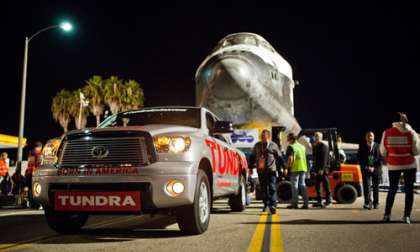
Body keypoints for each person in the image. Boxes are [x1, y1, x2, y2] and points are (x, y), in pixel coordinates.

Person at [380, 113, 420, 224]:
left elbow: (383, 151)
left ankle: (387, 215)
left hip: (393, 165)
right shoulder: (411, 133)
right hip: (409, 164)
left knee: (392, 190)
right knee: (409, 191)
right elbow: (417, 151)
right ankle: (406, 216)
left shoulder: (387, 132)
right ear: (404, 120)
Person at [252, 129, 283, 214]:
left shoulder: (273, 145)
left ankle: (273, 205)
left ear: (268, 137)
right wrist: (250, 167)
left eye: (264, 136)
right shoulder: (257, 145)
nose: (262, 137)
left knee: (272, 187)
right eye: (261, 136)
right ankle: (266, 204)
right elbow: (252, 156)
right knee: (264, 189)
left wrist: (283, 167)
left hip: (271, 170)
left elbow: (279, 157)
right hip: (261, 171)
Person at [357, 131, 382, 210]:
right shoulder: (362, 146)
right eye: (368, 136)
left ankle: (376, 203)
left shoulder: (378, 146)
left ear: (373, 137)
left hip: (376, 169)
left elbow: (381, 159)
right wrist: (366, 167)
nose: (369, 137)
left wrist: (374, 168)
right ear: (365, 138)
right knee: (366, 187)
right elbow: (359, 158)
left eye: (371, 136)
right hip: (365, 169)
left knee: (375, 187)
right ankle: (367, 202)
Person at [286, 133, 309, 209]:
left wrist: (287, 167)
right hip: (303, 168)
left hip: (295, 168)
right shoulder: (302, 147)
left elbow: (290, 159)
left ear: (292, 139)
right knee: (302, 185)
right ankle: (306, 203)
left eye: (288, 139)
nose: (287, 141)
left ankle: (295, 204)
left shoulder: (291, 147)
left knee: (294, 186)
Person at [312, 132, 332, 208]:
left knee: (326, 185)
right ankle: (319, 201)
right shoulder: (315, 146)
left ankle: (328, 201)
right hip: (317, 169)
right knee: (317, 186)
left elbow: (324, 159)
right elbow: (314, 159)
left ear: (321, 137)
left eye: (317, 136)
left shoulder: (324, 146)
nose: (316, 137)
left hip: (323, 169)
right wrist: (314, 169)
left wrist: (322, 169)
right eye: (315, 136)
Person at [25, 141, 43, 209]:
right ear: (39, 147)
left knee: (31, 190)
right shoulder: (40, 154)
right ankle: (36, 204)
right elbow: (39, 165)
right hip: (35, 174)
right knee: (37, 189)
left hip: (29, 173)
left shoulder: (30, 154)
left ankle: (32, 204)